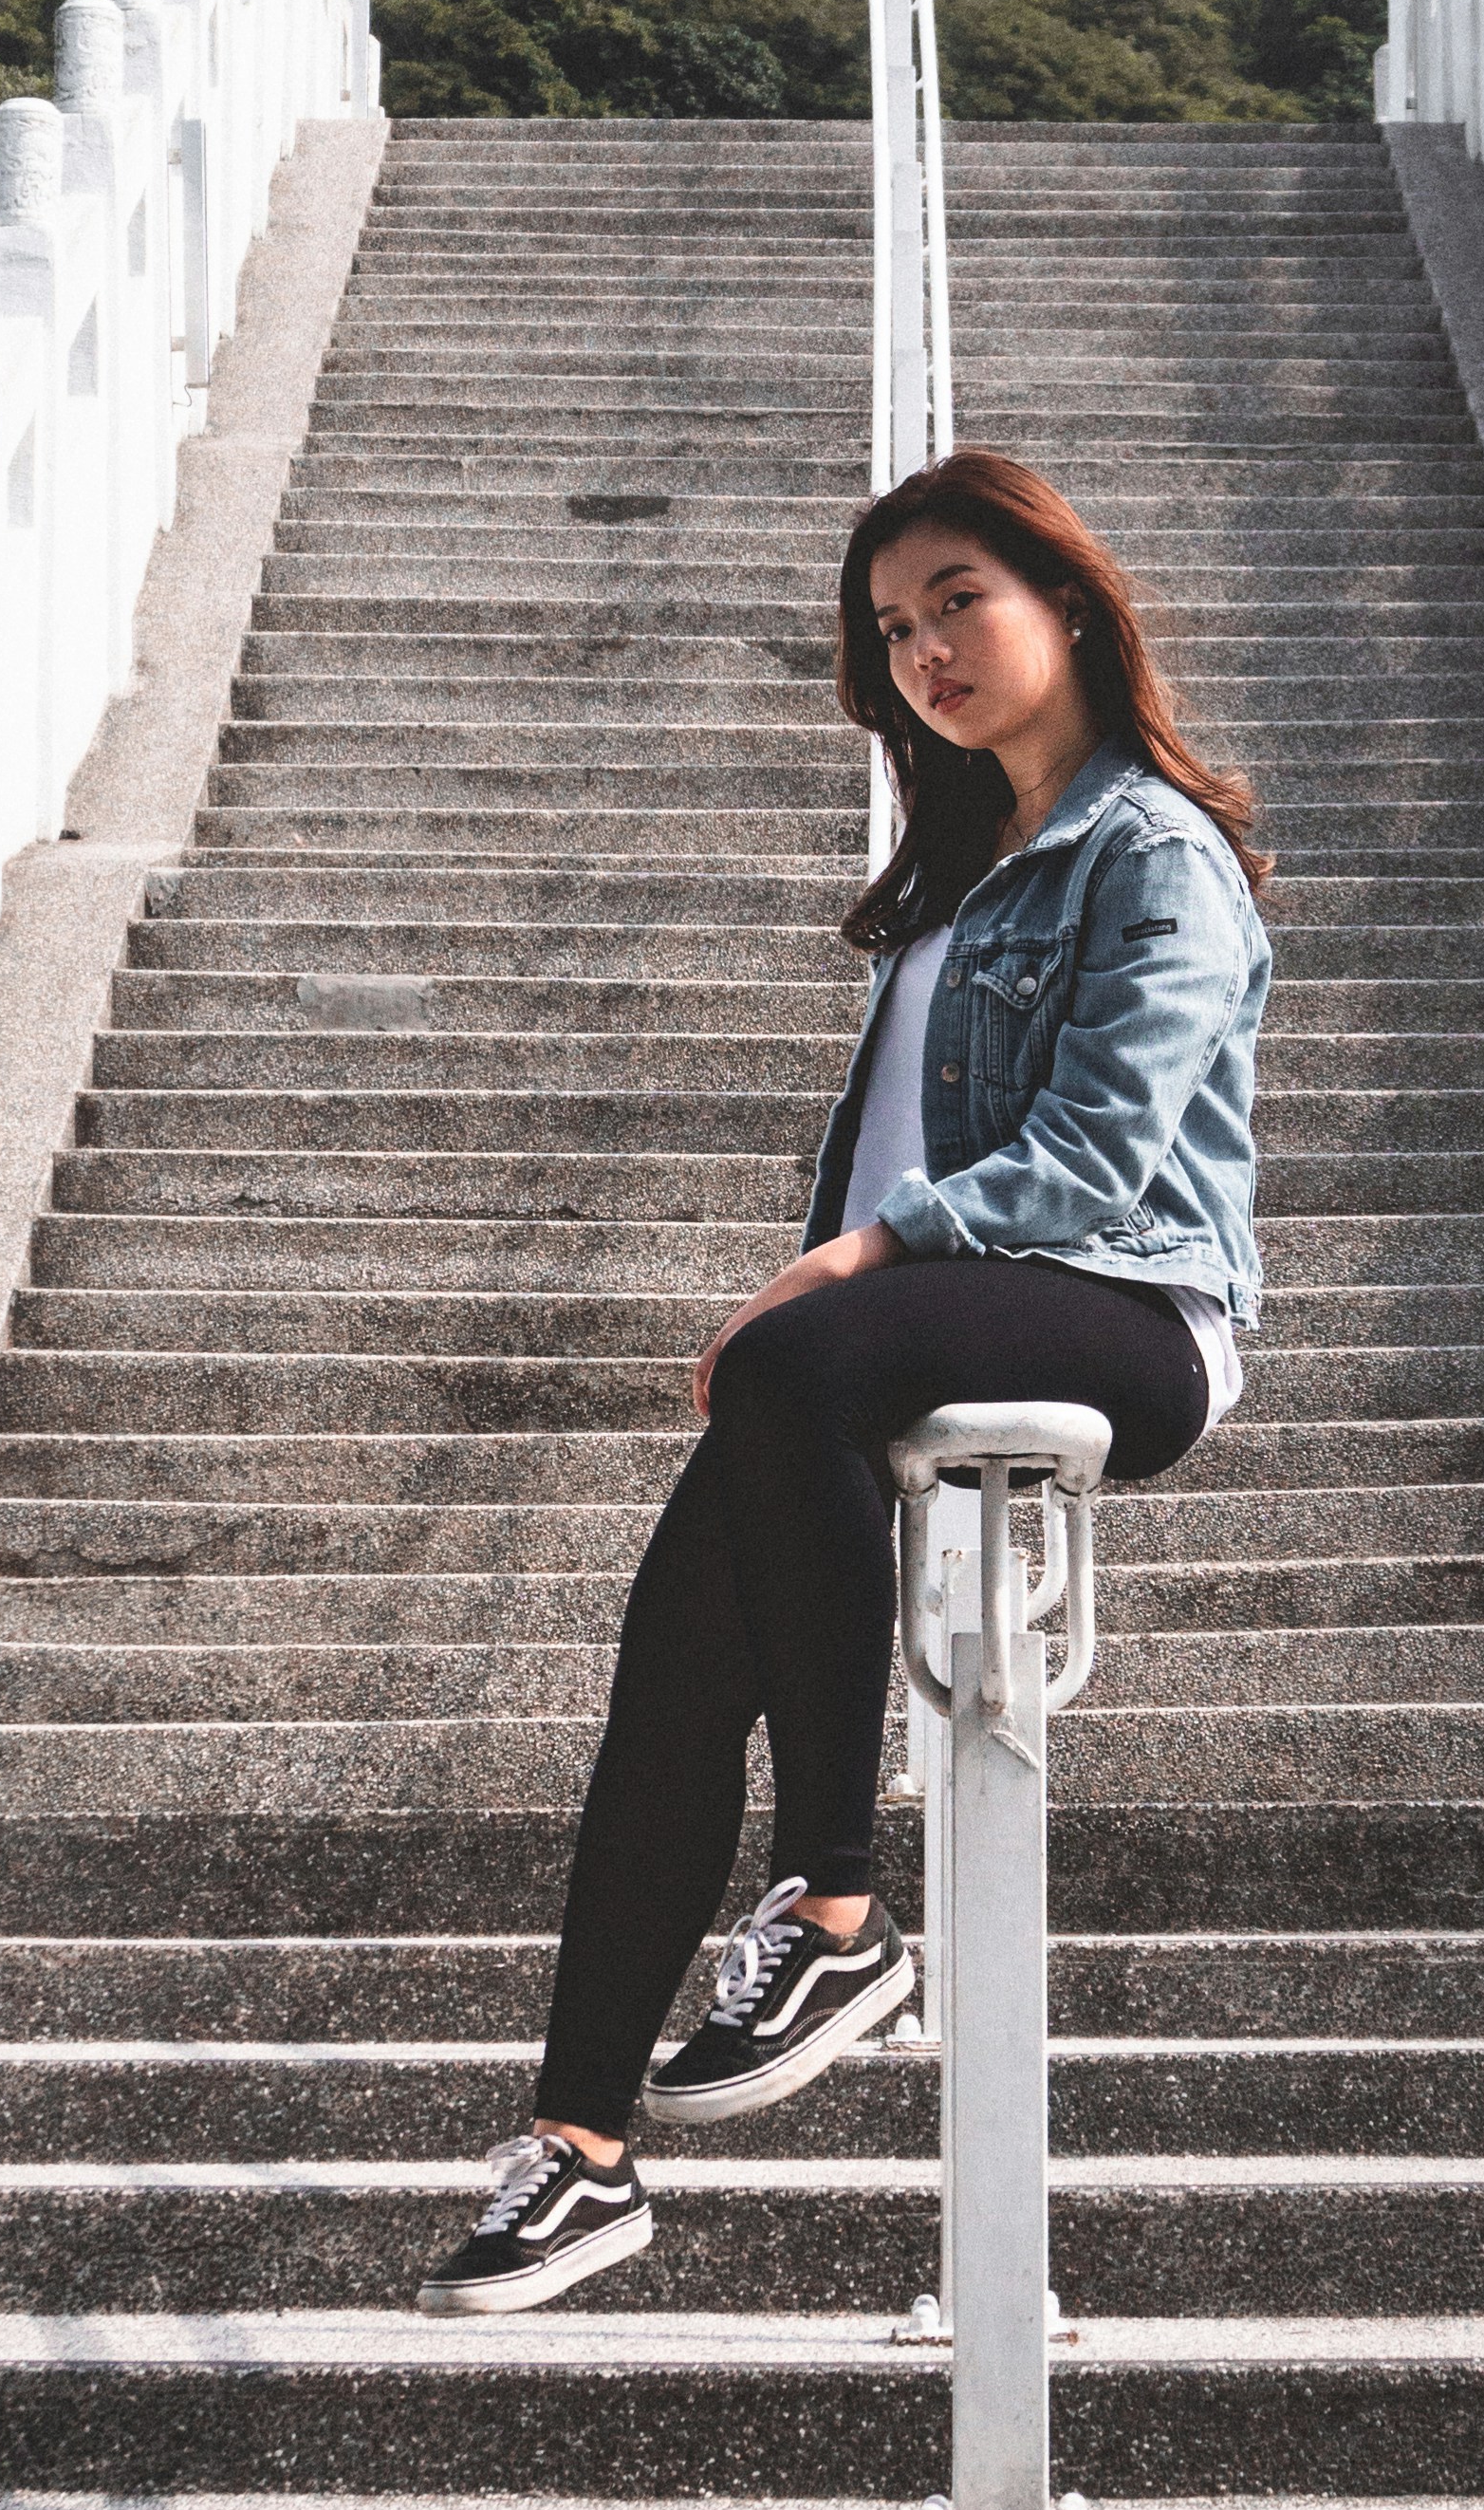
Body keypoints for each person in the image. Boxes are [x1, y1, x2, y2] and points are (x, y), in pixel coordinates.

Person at [417, 447, 1273, 2313]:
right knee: (669, 1666)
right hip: (917, 1319)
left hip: (1130, 1311)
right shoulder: (963, 875)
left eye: (961, 597)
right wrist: (853, 1283)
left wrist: (862, 1255)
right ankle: (577, 2150)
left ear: (1067, 605)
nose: (927, 649)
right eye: (892, 629)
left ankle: (832, 1903)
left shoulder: (1155, 855)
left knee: (789, 1355)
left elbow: (1100, 1156)